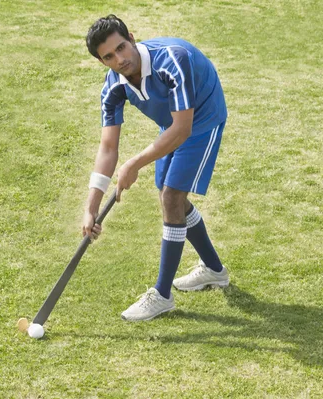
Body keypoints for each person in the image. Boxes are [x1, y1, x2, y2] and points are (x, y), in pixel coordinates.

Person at [82, 15, 230, 321]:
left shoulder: (172, 60)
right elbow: (108, 148)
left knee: (171, 197)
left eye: (122, 47)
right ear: (101, 61)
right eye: (109, 56)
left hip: (201, 117)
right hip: (173, 122)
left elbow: (182, 129)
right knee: (169, 194)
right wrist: (91, 208)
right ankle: (214, 270)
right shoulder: (113, 87)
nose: (120, 59)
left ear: (132, 38)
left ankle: (161, 295)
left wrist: (135, 163)